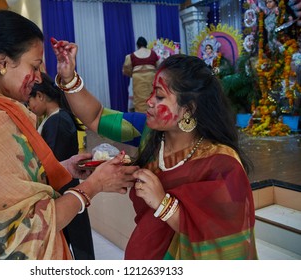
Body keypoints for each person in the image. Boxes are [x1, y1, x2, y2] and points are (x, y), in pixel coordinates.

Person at [0, 10, 139, 260]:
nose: (39, 76)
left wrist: (64, 168)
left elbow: (1, 187)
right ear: (3, 63)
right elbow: (29, 227)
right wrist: (93, 186)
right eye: (34, 65)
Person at [52, 38, 258, 260]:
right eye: (151, 92)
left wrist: (164, 204)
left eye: (159, 96)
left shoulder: (221, 162)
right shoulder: (149, 132)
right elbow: (96, 116)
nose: (149, 101)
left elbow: (222, 237)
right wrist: (69, 77)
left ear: (188, 109)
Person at [28, 73, 95, 260]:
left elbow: (53, 162)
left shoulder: (57, 121)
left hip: (65, 190)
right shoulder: (53, 119)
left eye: (29, 101)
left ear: (40, 96)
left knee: (77, 244)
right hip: (65, 188)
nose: (29, 107)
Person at [122, 36, 159, 113]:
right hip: (150, 77)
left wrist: (132, 74)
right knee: (151, 97)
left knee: (139, 100)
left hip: (137, 78)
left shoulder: (131, 56)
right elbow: (159, 67)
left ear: (137, 45)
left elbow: (125, 70)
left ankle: (141, 119)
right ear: (146, 45)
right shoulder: (153, 54)